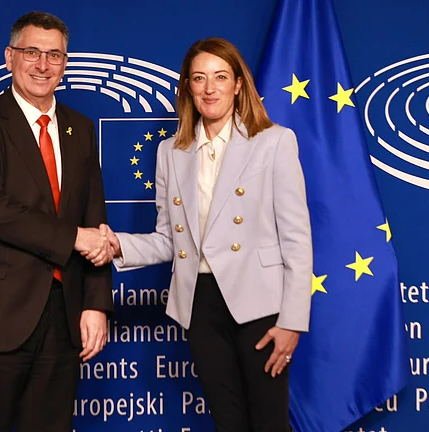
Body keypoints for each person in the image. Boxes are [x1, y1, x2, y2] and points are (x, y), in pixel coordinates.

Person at [105, 38, 312, 431]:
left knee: (269, 422)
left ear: (238, 84)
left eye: (220, 77)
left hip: (260, 303)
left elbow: (297, 239)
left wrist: (292, 321)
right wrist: (117, 245)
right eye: (199, 78)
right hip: (200, 304)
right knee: (227, 422)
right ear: (187, 87)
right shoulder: (170, 151)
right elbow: (168, 239)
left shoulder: (273, 141)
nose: (209, 88)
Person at [0, 11, 114, 432]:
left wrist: (95, 303)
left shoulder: (80, 129)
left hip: (62, 316)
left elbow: (94, 219)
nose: (42, 65)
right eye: (31, 52)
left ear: (65, 63)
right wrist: (73, 238)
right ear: (9, 57)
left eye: (54, 55)